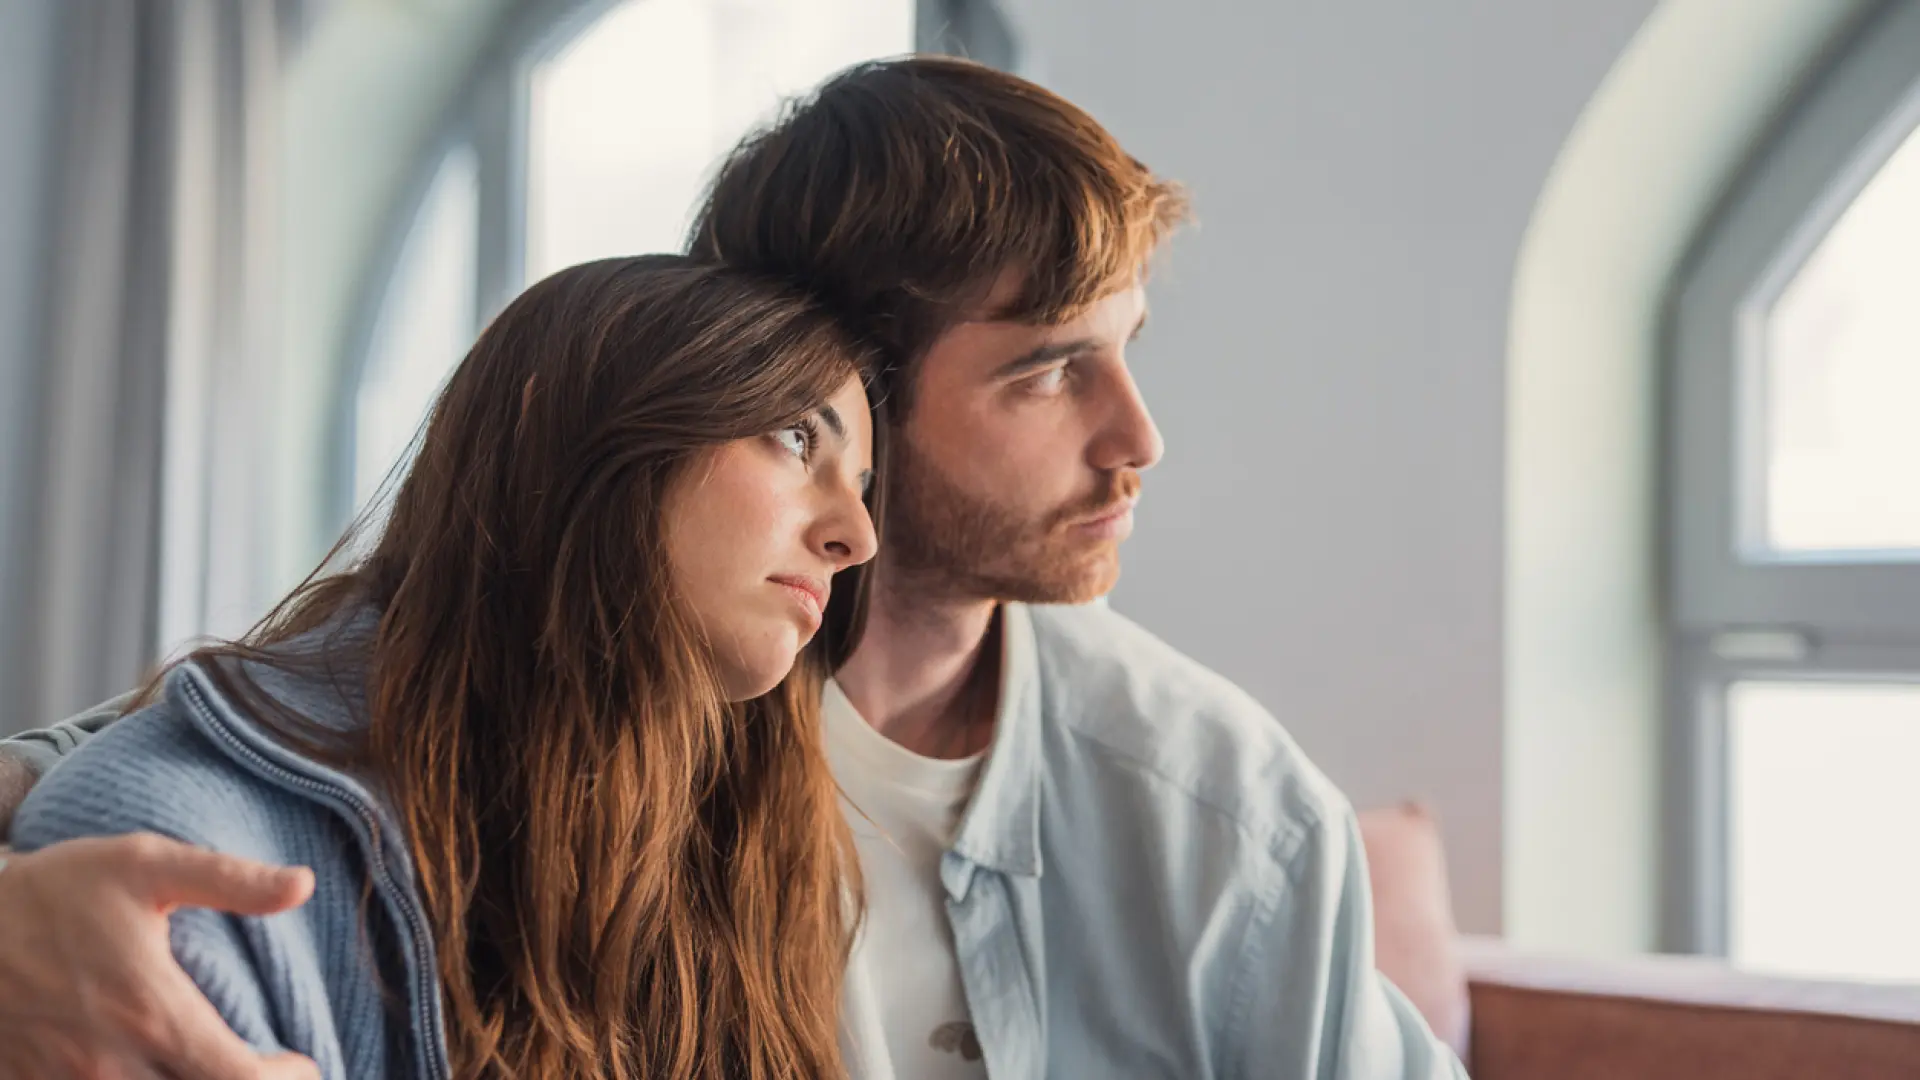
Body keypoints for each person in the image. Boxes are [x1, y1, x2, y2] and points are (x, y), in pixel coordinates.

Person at [2, 57, 1467, 1079]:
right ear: (842, 385)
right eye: (1046, 373)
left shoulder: (1223, 806)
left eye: (1129, 353)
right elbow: (170, 752)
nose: (1138, 439)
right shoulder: (587, 683)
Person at [3, 254, 881, 1080]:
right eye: (798, 438)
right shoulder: (173, 855)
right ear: (558, 424)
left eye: (861, 483)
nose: (857, 537)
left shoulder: (740, 852)